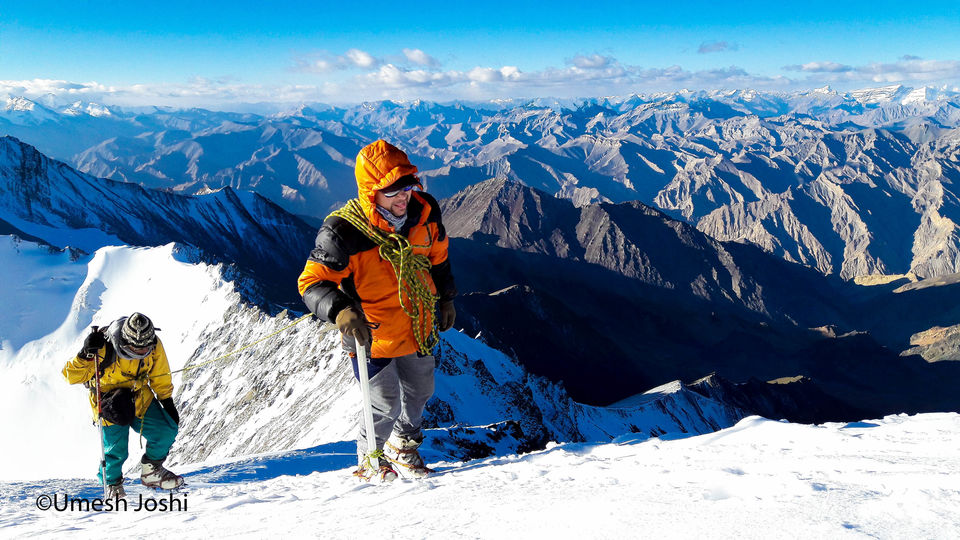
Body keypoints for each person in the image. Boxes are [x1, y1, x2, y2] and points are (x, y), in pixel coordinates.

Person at [298, 140, 457, 482]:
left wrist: (446, 298)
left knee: (421, 390)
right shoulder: (343, 233)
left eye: (407, 188)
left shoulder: (425, 215)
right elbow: (312, 282)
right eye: (391, 192)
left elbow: (438, 260)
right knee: (384, 403)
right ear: (371, 192)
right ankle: (370, 458)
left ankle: (403, 446)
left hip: (415, 326)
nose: (403, 198)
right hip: (369, 334)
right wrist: (340, 310)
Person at [63, 312, 184, 498]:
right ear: (124, 343)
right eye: (137, 350)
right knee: (115, 448)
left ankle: (152, 471)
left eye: (146, 349)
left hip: (138, 395)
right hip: (108, 401)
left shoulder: (153, 343)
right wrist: (84, 355)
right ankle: (112, 483)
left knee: (166, 430)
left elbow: (160, 373)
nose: (143, 352)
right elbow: (71, 376)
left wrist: (166, 401)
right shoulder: (102, 347)